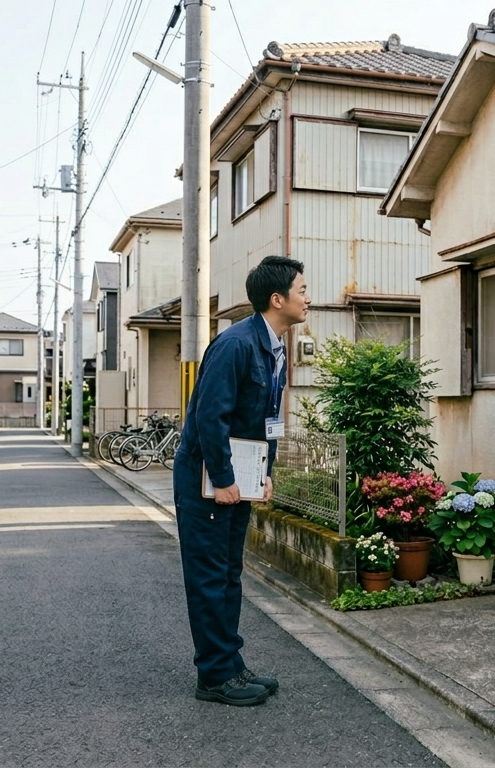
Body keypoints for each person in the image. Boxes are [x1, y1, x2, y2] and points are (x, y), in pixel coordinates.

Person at [173, 255, 310, 707]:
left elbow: (265, 420)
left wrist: (263, 477)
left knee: (230, 574)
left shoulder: (273, 347)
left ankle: (230, 665)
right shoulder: (235, 345)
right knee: (210, 576)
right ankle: (213, 677)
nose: (307, 297)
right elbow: (209, 418)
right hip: (207, 479)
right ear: (278, 298)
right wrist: (227, 479)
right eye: (302, 290)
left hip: (237, 477)